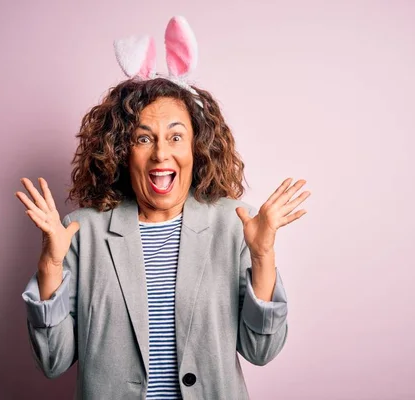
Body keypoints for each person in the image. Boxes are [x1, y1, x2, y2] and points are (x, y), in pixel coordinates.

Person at [16, 16, 309, 399]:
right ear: (122, 152)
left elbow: (261, 350)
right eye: (143, 138)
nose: (161, 154)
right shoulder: (79, 232)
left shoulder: (235, 224)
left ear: (196, 148)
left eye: (176, 136)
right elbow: (53, 361)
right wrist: (50, 266)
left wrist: (263, 256)